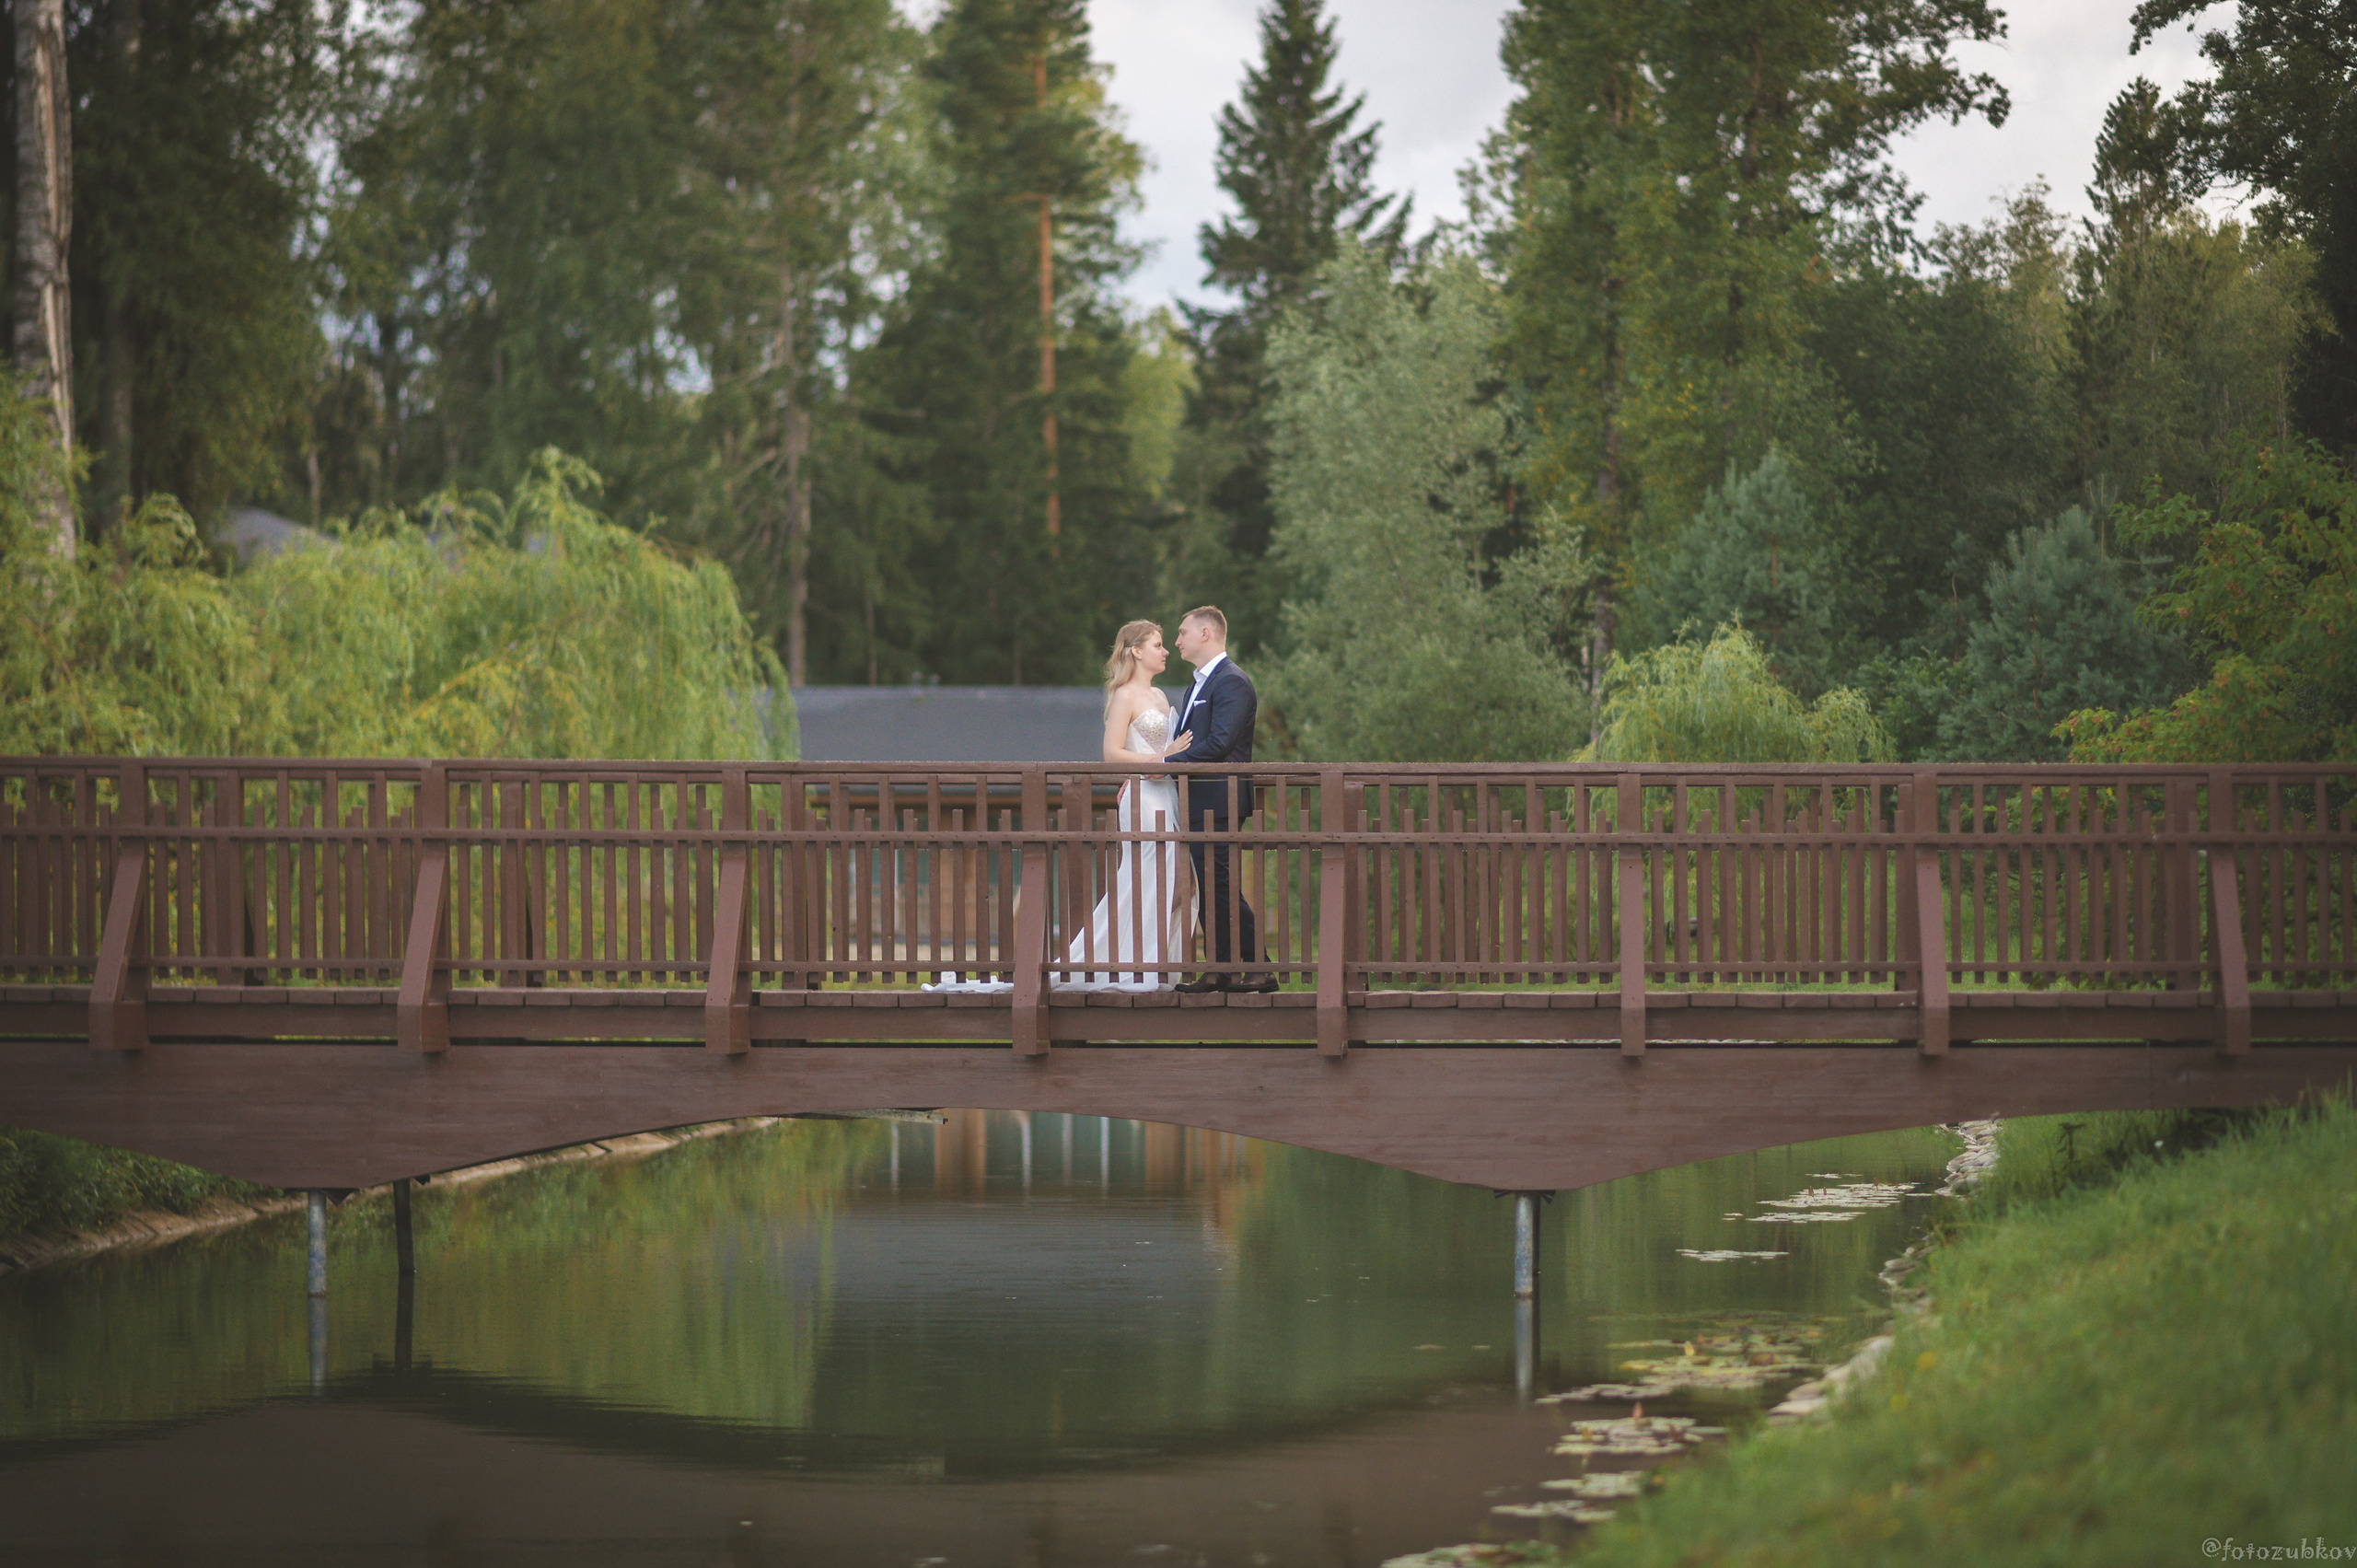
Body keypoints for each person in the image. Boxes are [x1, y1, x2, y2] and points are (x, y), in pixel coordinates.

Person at [1058, 620, 1196, 989]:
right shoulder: (1124, 695)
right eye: (1157, 645)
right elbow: (1111, 753)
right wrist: (1159, 761)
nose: (1165, 651)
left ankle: (1146, 958)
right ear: (1136, 651)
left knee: (1182, 883)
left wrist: (1167, 763)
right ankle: (1134, 965)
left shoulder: (1161, 697)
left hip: (1168, 794)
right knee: (1147, 878)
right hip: (1143, 795)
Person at [1166, 606, 1274, 993]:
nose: (1176, 641)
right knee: (1210, 885)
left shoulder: (1232, 682)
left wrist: (1165, 763)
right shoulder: (1195, 685)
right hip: (1196, 798)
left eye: (1182, 633)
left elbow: (1220, 743)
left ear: (1206, 633)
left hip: (1220, 796)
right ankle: (1219, 969)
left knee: (1221, 883)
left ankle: (1259, 967)